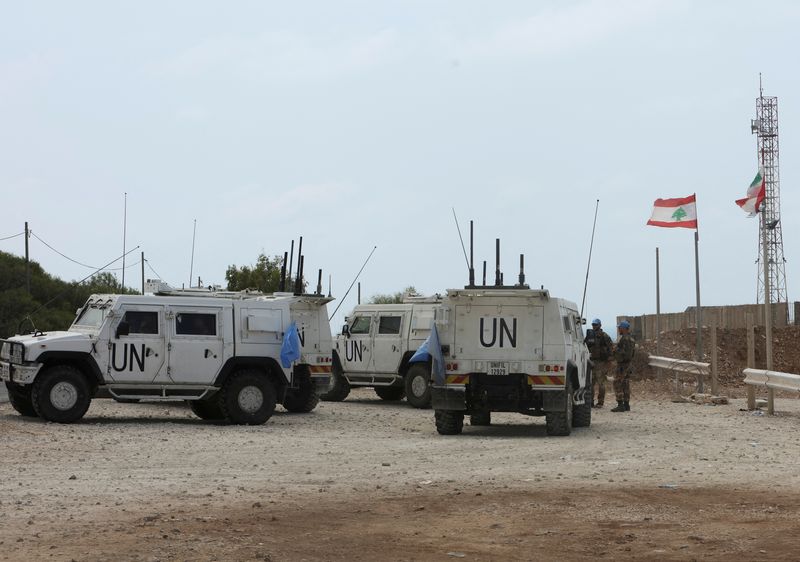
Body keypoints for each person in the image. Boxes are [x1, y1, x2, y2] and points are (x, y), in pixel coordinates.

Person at [584, 318, 613, 408]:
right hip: (591, 361)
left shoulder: (604, 336)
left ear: (600, 325)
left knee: (601, 383)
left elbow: (610, 347)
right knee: (590, 383)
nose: (594, 326)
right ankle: (590, 402)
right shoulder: (590, 335)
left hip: (600, 362)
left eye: (595, 325)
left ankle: (600, 402)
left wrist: (608, 360)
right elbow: (584, 345)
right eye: (593, 324)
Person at [611, 320, 636, 412]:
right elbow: (632, 353)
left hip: (622, 365)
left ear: (624, 328)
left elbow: (623, 353)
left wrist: (615, 350)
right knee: (625, 384)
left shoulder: (624, 339)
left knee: (617, 383)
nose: (618, 329)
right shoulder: (631, 339)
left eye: (620, 328)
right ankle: (626, 405)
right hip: (628, 364)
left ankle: (620, 404)